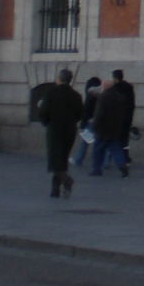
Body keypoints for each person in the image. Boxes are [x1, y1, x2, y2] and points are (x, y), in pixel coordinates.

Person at [37, 68, 83, 198]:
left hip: (54, 129)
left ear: (59, 79)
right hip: (69, 130)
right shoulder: (76, 95)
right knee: (62, 159)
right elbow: (80, 114)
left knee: (54, 160)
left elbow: (43, 112)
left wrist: (47, 122)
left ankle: (67, 180)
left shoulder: (51, 93)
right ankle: (55, 189)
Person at [91, 78, 132, 177]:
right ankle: (122, 166)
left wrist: (95, 125)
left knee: (97, 149)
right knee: (115, 148)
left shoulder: (103, 97)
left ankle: (97, 169)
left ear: (105, 86)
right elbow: (123, 113)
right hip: (115, 128)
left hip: (103, 128)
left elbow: (99, 114)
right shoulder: (120, 97)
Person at [72, 75, 101, 171]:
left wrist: (82, 123)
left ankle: (78, 159)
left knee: (85, 142)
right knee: (102, 142)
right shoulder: (100, 94)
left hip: (90, 121)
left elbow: (86, 111)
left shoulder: (90, 96)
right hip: (99, 120)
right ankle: (105, 162)